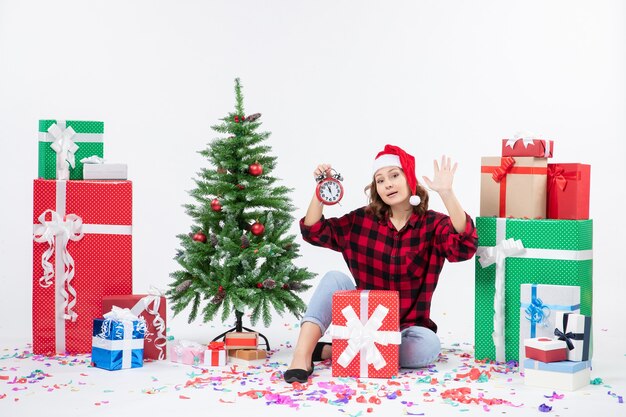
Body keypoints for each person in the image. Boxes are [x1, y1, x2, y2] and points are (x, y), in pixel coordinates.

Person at [283, 144, 478, 384]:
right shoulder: (362, 220)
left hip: (405, 329)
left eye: (395, 175)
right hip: (361, 321)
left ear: (410, 178)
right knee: (334, 278)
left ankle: (336, 351)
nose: (387, 184)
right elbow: (314, 232)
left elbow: (464, 247)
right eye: (380, 180)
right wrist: (321, 191)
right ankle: (302, 356)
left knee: (427, 347)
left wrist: (447, 193)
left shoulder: (433, 224)